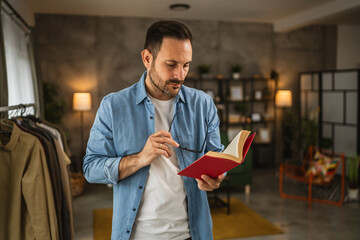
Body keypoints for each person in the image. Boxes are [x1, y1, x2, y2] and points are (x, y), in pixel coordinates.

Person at [83, 20, 225, 240]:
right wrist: (140, 158)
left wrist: (217, 176)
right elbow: (91, 169)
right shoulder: (113, 106)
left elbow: (217, 157)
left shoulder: (204, 104)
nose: (180, 74)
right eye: (171, 64)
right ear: (147, 59)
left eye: (186, 65)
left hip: (192, 234)